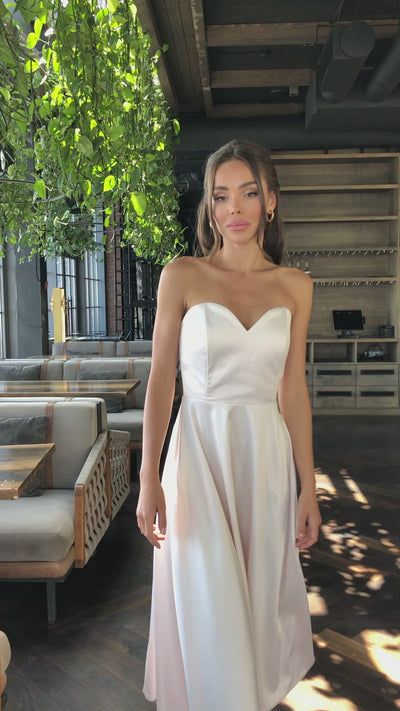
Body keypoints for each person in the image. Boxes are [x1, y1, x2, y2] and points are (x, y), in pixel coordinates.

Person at [136, 138, 322, 711]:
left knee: (256, 606)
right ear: (210, 208)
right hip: (197, 458)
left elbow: (292, 389)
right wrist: (148, 479)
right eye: (221, 197)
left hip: (262, 459)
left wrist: (307, 484)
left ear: (271, 201)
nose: (234, 208)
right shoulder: (182, 276)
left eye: (247, 193)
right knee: (208, 603)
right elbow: (162, 382)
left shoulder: (296, 287)